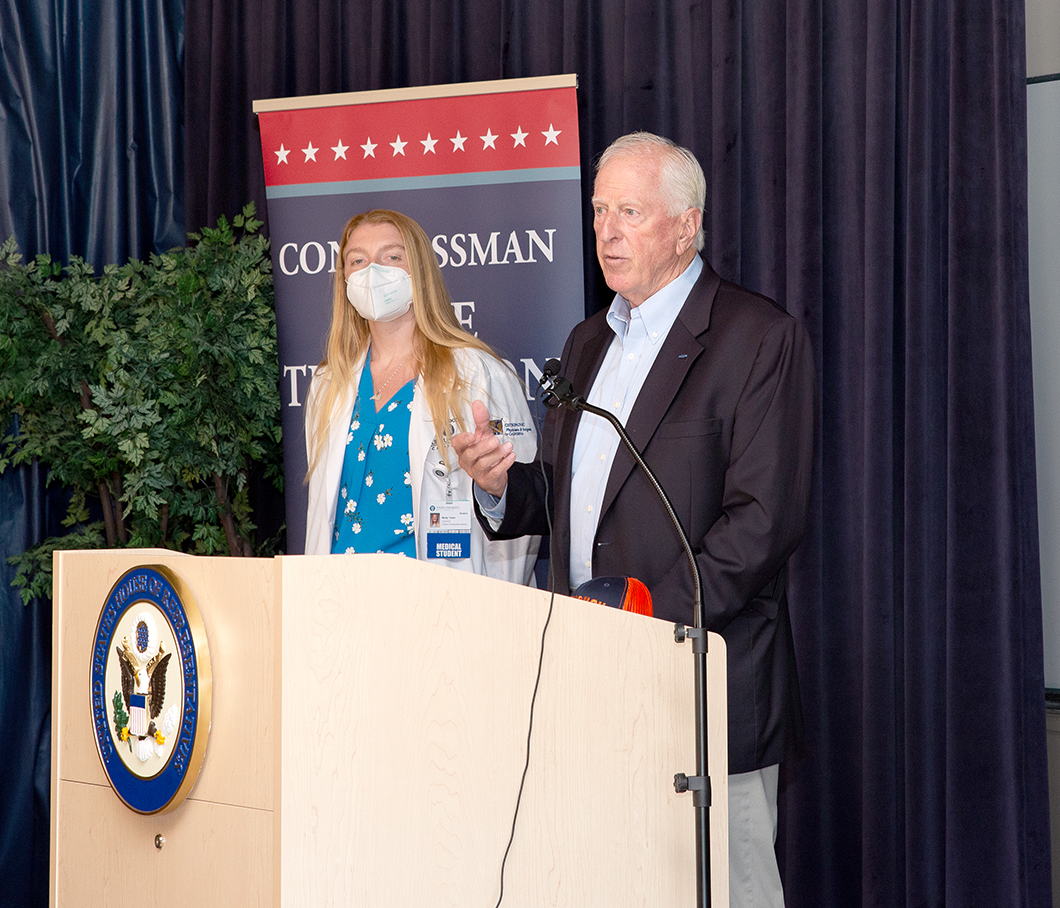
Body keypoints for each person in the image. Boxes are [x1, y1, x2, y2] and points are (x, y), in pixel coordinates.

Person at [452, 132, 814, 908]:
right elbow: (572, 495)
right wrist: (499, 487)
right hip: (591, 685)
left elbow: (762, 525)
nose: (606, 232)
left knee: (728, 892)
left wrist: (644, 626)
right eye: (597, 212)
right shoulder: (588, 342)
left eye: (629, 212)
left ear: (686, 227)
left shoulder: (756, 340)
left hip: (702, 685)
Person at [303, 208, 539, 583]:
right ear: (344, 278)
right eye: (357, 261)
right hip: (341, 602)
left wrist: (497, 615)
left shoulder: (478, 375)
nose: (372, 272)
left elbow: (521, 517)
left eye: (391, 257)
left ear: (421, 272)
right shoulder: (328, 384)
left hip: (438, 607)